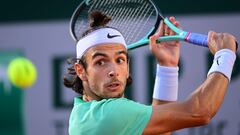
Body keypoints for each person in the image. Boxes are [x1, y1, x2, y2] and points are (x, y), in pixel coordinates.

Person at [64, 11, 237, 135]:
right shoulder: (108, 115)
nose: (113, 71)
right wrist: (225, 55)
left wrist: (167, 67)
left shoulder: (81, 114)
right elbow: (200, 111)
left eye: (120, 60)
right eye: (100, 62)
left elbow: (160, 130)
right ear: (81, 70)